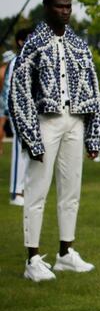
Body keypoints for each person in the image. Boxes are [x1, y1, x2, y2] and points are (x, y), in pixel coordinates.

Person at [9, 0, 100, 282]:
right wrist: (30, 135)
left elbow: (93, 87)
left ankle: (65, 253)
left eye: (69, 5)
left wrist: (93, 134)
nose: (66, 10)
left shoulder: (79, 43)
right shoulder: (34, 43)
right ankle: (32, 258)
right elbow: (18, 90)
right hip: (45, 121)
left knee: (70, 190)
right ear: (47, 7)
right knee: (36, 191)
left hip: (75, 120)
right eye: (60, 6)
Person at [2, 28, 33, 206]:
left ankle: (23, 189)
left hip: (30, 113)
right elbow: (10, 90)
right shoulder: (17, 61)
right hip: (18, 111)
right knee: (19, 150)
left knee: (28, 152)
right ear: (21, 42)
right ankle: (15, 192)